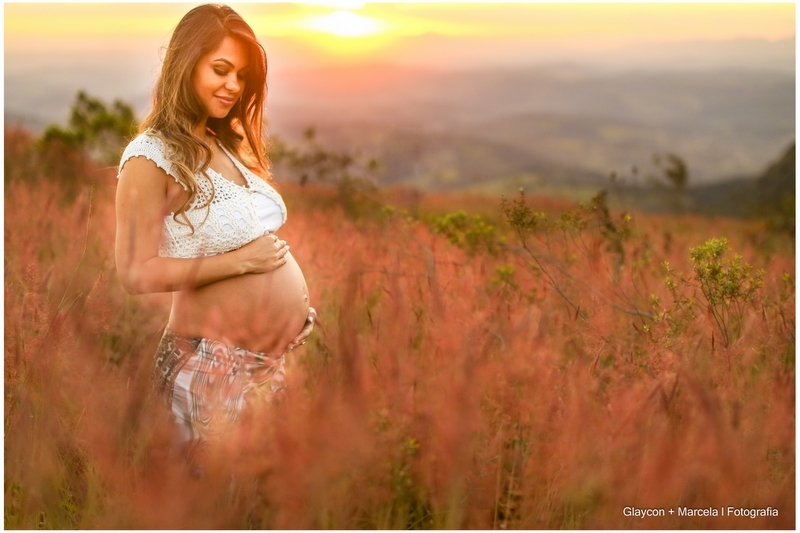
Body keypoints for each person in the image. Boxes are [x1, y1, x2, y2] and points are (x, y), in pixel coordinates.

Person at [115, 4, 315, 468]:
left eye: (241, 76)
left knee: (256, 510)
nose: (233, 86)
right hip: (207, 369)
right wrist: (241, 264)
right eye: (220, 70)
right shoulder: (150, 156)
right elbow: (133, 273)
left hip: (262, 370)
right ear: (186, 66)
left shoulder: (220, 142)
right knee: (210, 511)